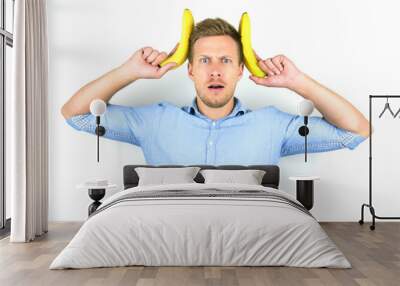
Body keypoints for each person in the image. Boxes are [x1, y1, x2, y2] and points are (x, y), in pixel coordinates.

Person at [61, 18, 369, 165]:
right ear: (191, 70)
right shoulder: (153, 120)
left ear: (240, 70)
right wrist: (129, 71)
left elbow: (356, 131)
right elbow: (75, 115)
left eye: (225, 60)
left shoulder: (274, 125)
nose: (216, 70)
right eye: (205, 60)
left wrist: (297, 81)